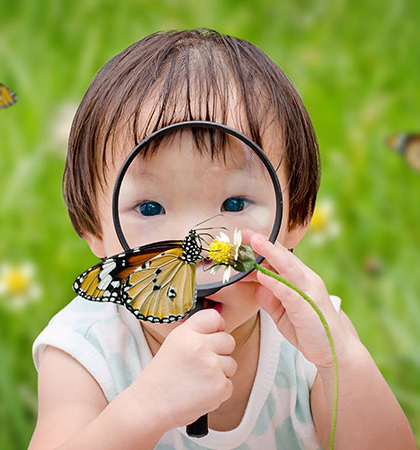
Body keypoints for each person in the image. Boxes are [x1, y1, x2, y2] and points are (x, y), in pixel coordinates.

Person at [28, 29, 416, 450]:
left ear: (298, 216)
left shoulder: (309, 333)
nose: (198, 247)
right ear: (95, 232)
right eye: (150, 208)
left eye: (234, 203)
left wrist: (341, 359)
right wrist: (147, 407)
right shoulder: (87, 347)